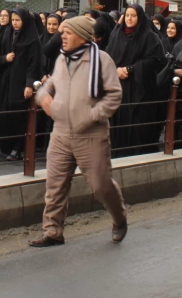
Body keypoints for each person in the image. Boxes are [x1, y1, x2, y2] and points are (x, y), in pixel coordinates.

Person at [30, 16, 127, 247]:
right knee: (55, 185)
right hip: (61, 133)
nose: (62, 36)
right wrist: (43, 96)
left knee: (101, 186)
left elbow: (114, 95)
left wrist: (91, 115)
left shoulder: (101, 60)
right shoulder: (62, 59)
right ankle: (53, 231)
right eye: (62, 32)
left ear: (82, 36)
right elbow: (51, 84)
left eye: (67, 33)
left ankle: (119, 218)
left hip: (91, 134)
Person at [105, 5, 165, 155]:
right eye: (127, 15)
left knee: (138, 126)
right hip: (118, 85)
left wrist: (131, 69)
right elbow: (108, 56)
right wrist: (116, 70)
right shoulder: (117, 34)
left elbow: (156, 60)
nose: (129, 19)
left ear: (140, 17)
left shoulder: (149, 37)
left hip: (140, 88)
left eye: (133, 15)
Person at [0, 9, 42, 161]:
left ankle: (18, 148)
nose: (15, 23)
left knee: (19, 115)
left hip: (21, 82)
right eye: (13, 20)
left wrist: (29, 84)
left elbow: (34, 63)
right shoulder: (8, 34)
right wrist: (5, 59)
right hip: (7, 80)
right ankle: (7, 145)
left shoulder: (32, 39)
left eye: (18, 20)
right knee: (5, 112)